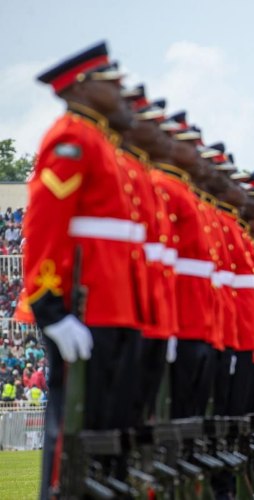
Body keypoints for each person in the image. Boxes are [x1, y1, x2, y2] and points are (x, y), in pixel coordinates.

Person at [28, 42, 146, 497]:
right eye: (108, 83)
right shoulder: (71, 138)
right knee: (70, 431)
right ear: (81, 86)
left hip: (111, 306)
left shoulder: (101, 144)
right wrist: (51, 310)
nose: (117, 92)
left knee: (100, 424)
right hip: (84, 305)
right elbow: (44, 228)